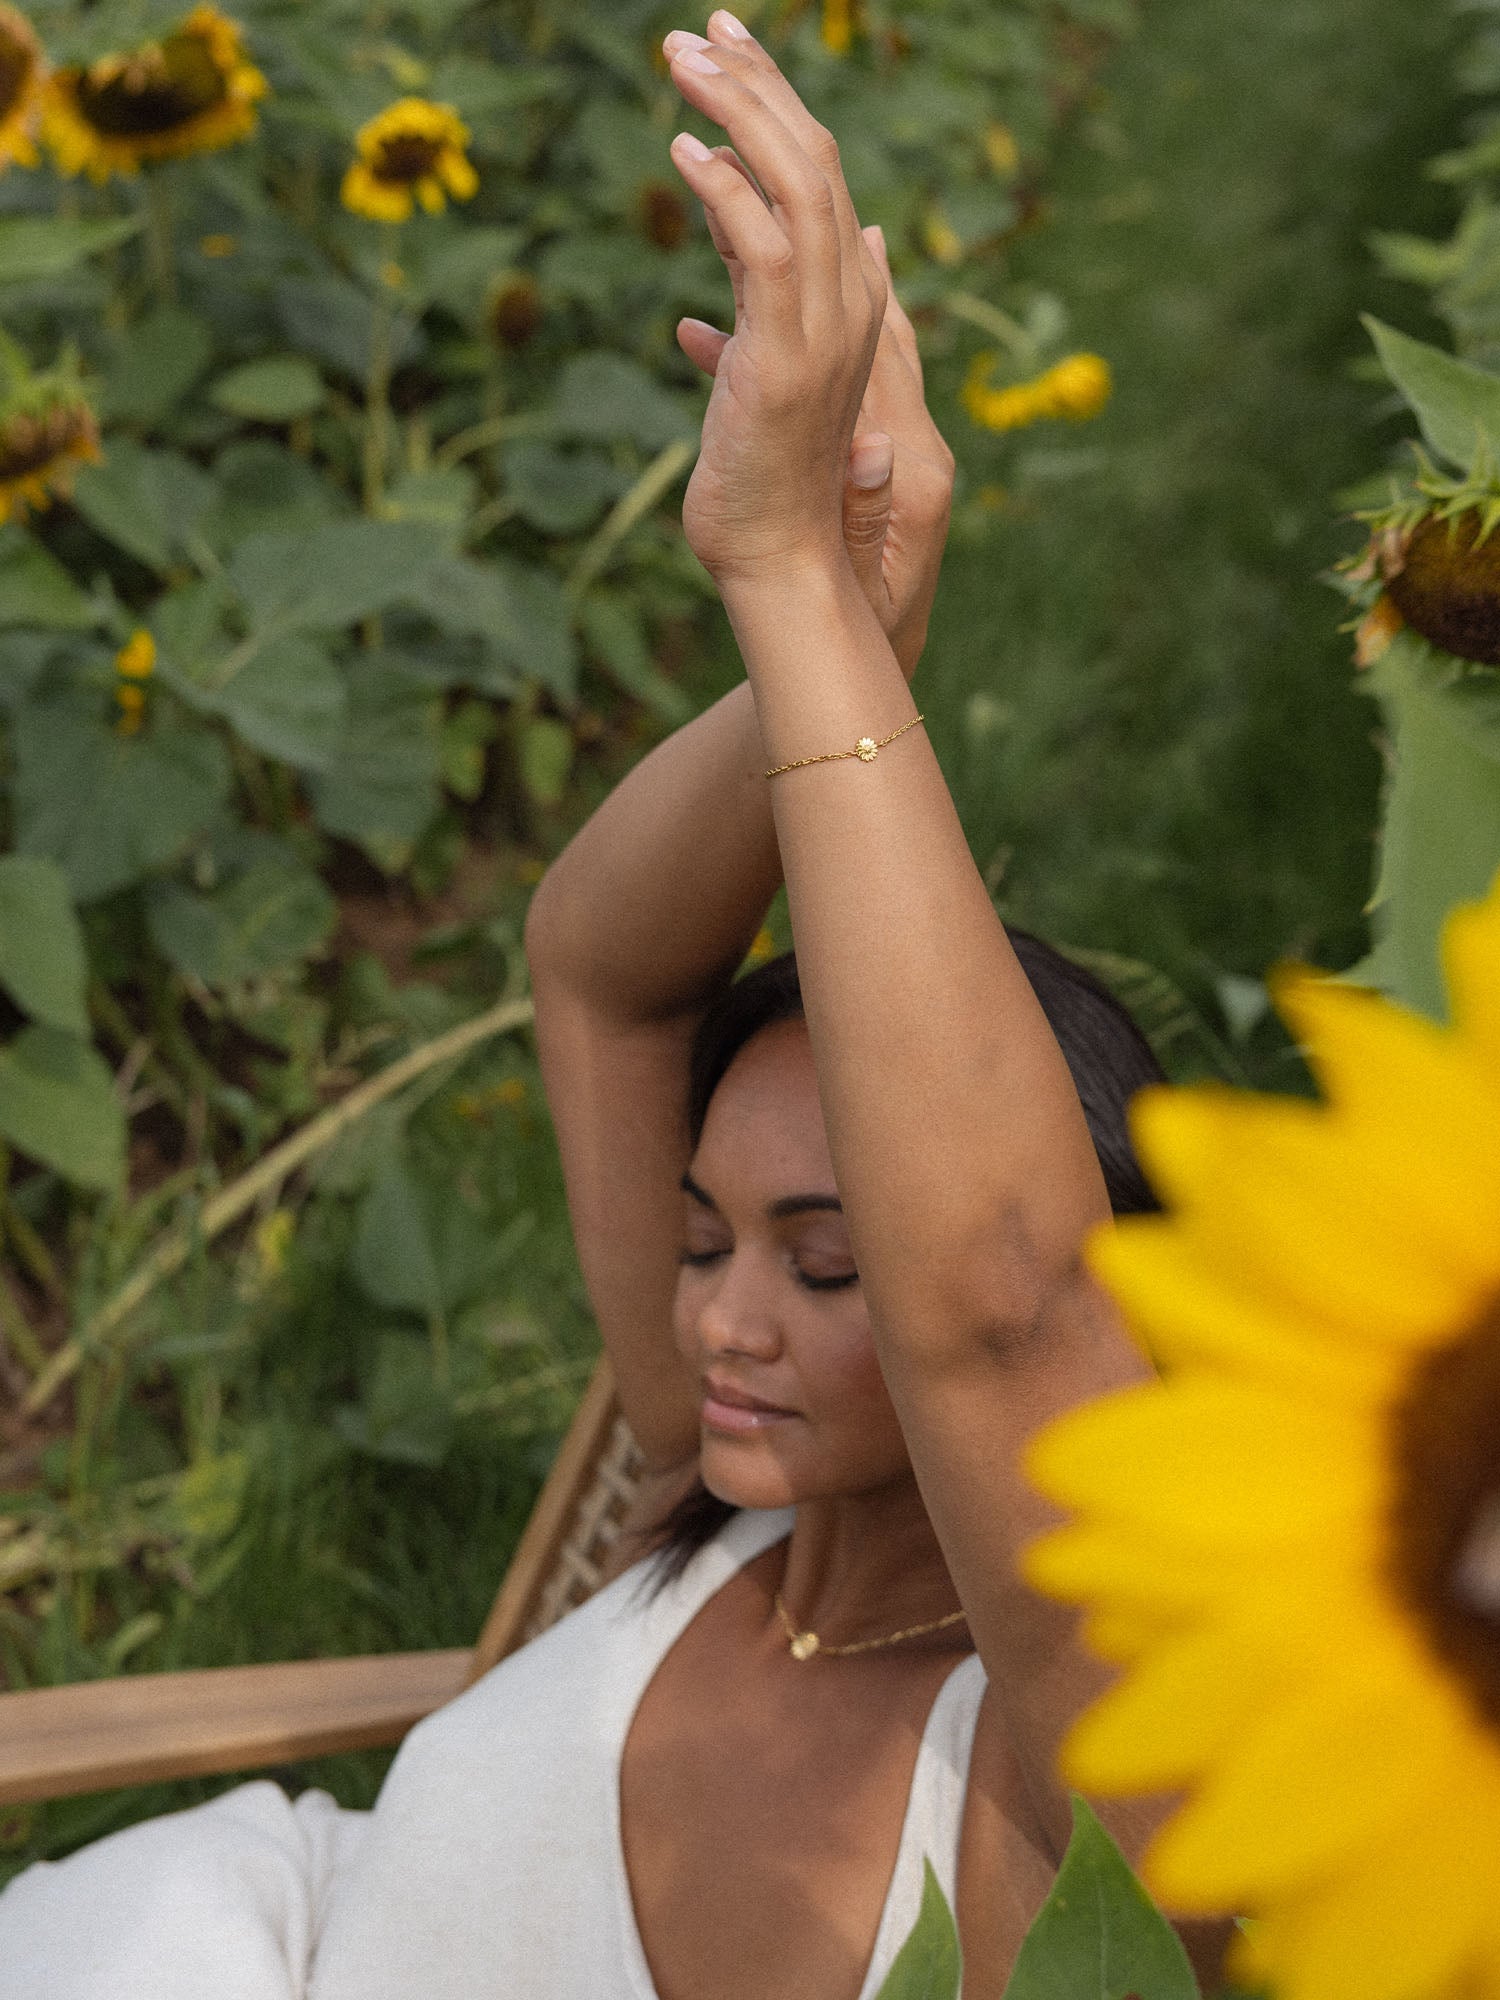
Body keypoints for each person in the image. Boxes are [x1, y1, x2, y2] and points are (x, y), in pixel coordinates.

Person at [0, 16, 1226, 1997]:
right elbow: (599, 968)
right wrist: (848, 633)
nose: (721, 1319)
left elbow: (1003, 1300)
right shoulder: (721, 1485)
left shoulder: (1065, 1780)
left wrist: (780, 578)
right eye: (698, 1240)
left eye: (833, 1272)